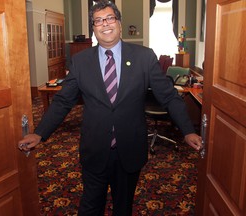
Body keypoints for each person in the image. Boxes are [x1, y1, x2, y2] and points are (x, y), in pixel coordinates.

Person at [18, 1, 202, 215]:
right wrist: (40, 133)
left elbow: (169, 96)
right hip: (95, 148)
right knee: (89, 206)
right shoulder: (80, 61)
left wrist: (188, 130)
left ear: (119, 23)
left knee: (123, 207)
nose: (105, 24)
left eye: (110, 18)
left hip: (130, 150)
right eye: (98, 21)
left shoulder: (144, 57)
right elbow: (63, 101)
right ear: (93, 28)